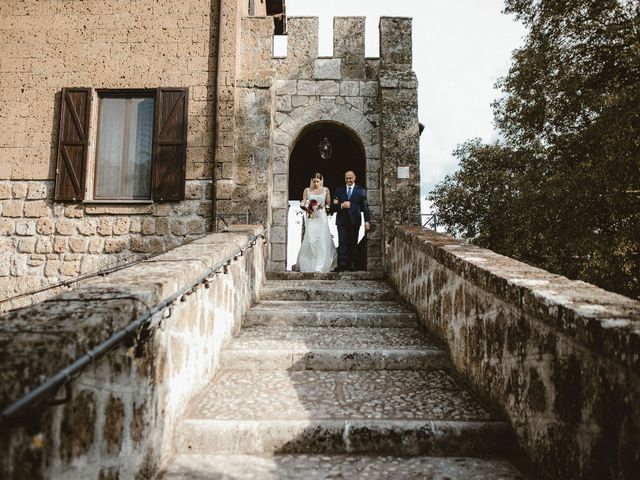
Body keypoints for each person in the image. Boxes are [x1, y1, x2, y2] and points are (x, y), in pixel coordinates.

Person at [296, 173, 337, 272]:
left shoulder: (326, 190)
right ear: (311, 181)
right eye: (314, 181)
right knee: (310, 240)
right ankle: (309, 265)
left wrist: (323, 208)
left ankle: (321, 266)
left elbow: (328, 204)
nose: (315, 183)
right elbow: (303, 203)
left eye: (317, 181)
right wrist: (307, 208)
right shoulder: (307, 190)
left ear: (321, 181)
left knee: (322, 240)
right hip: (311, 218)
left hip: (322, 218)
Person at [331, 170, 370, 271]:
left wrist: (367, 221)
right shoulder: (339, 190)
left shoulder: (361, 191)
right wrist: (341, 205)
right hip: (342, 221)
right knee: (342, 242)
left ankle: (352, 265)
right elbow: (333, 207)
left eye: (350, 178)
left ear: (354, 178)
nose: (348, 180)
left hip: (355, 220)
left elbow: (365, 207)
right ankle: (341, 265)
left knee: (353, 243)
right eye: (346, 178)